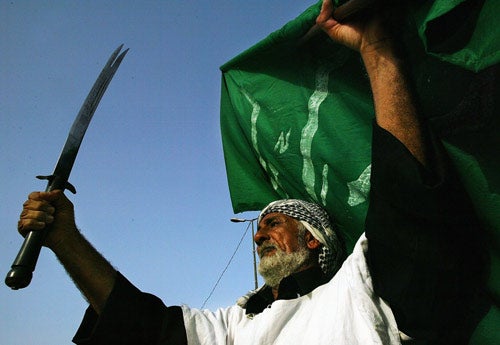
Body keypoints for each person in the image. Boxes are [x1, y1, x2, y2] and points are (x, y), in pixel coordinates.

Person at [17, 0, 488, 344]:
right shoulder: (232, 329)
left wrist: (377, 49)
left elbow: (412, 211)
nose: (259, 232)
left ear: (315, 241)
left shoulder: (359, 289)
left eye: (274, 222)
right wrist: (66, 238)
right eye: (260, 225)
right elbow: (144, 328)